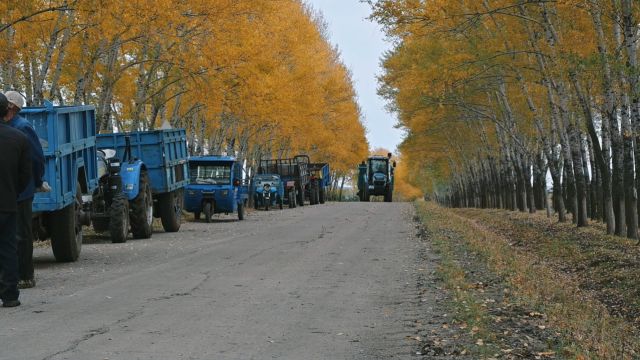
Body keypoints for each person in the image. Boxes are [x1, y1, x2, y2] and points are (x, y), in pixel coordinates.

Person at [4, 91, 44, 289]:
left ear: (13, 108)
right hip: (10, 190)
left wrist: (36, 181)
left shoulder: (23, 128)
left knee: (22, 234)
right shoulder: (9, 127)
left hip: (21, 190)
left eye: (8, 106)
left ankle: (26, 275)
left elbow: (36, 159)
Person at [0, 92, 32, 308]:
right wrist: (12, 192)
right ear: (6, 111)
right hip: (7, 203)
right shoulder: (18, 138)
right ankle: (10, 294)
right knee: (8, 248)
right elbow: (25, 176)